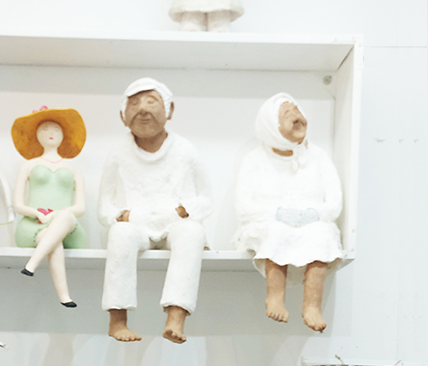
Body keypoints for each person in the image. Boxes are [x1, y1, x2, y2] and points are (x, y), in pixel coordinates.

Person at [98, 78, 212, 344]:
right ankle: (117, 320)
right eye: (134, 103)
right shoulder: (118, 152)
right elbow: (104, 205)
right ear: (123, 116)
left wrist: (184, 211)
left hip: (175, 221)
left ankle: (176, 315)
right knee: (121, 234)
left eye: (151, 101)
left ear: (170, 110)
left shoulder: (185, 150)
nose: (143, 109)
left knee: (192, 233)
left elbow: (206, 198)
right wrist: (121, 216)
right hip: (135, 223)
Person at [234, 94, 342, 331]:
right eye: (287, 113)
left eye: (297, 109)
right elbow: (243, 207)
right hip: (267, 223)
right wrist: (277, 214)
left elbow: (334, 203)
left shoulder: (318, 156)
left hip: (312, 223)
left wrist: (314, 214)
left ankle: (312, 306)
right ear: (271, 125)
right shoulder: (255, 159)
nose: (296, 116)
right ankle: (275, 296)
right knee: (277, 231)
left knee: (322, 234)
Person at [11, 106, 87, 307]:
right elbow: (18, 204)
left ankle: (31, 264)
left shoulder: (72, 169)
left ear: (64, 134)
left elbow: (80, 208)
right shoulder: (28, 165)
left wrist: (56, 215)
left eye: (56, 129)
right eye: (45, 128)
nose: (51, 133)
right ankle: (64, 297)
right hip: (34, 225)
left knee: (66, 218)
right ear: (36, 134)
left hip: (67, 226)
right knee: (52, 240)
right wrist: (36, 213)